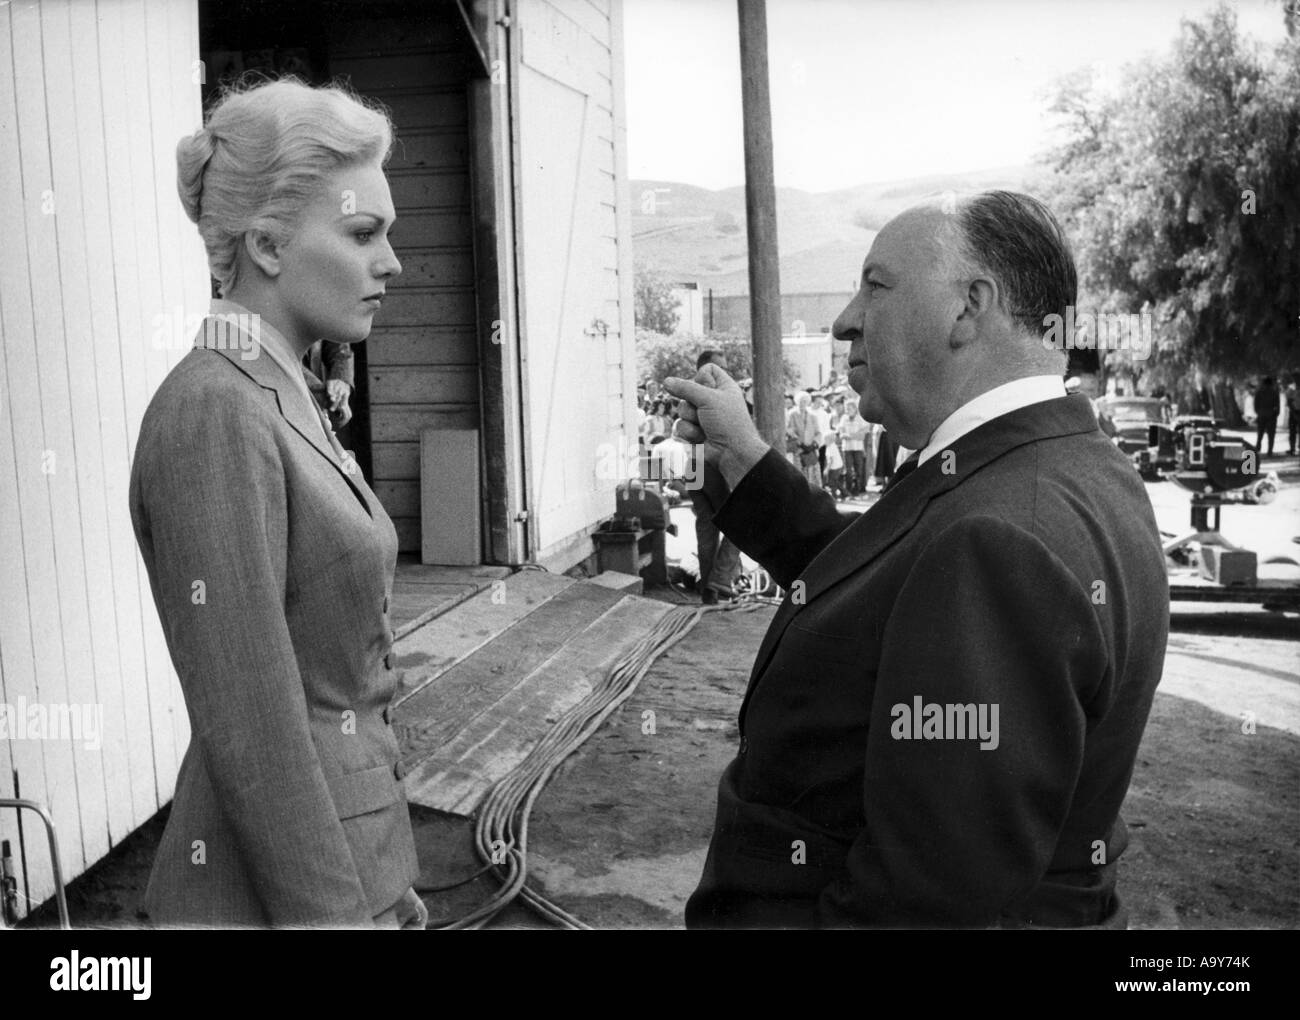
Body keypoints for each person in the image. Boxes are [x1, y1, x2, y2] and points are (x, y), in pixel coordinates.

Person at [665, 190, 1169, 928]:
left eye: (876, 284)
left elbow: (923, 903)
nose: (843, 321)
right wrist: (747, 464)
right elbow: (889, 592)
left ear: (969, 308)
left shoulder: (998, 537)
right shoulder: (1056, 467)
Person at [130, 78, 425, 928]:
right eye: (363, 233)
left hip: (350, 862)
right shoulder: (214, 410)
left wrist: (386, 883)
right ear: (265, 243)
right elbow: (255, 725)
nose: (392, 261)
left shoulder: (280, 389)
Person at [689, 350, 742, 603]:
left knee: (706, 527)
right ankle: (720, 578)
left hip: (695, 464)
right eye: (720, 368)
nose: (725, 373)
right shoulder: (719, 395)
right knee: (741, 521)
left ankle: (709, 590)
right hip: (712, 464)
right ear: (706, 369)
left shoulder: (689, 392)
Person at [786, 390, 822, 487]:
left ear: (808, 402)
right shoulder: (792, 414)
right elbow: (790, 430)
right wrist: (800, 443)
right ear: (797, 402)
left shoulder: (813, 416)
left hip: (811, 450)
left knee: (813, 476)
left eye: (805, 401)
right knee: (799, 475)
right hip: (799, 450)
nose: (802, 403)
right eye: (800, 401)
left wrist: (814, 444)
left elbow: (818, 433)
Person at [838, 397, 870, 497]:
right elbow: (841, 434)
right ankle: (848, 490)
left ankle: (857, 489)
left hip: (858, 448)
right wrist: (854, 435)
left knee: (858, 470)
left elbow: (862, 436)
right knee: (848, 470)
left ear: (855, 409)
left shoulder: (860, 419)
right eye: (846, 408)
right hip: (846, 448)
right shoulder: (843, 418)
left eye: (850, 408)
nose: (847, 410)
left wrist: (850, 436)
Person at [1254, 376, 1279, 456]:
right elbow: (1277, 405)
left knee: (1260, 433)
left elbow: (1255, 404)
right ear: (1271, 384)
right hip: (1271, 414)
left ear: (1264, 384)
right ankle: (1270, 450)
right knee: (1271, 434)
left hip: (1262, 414)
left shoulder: (1259, 392)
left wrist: (1258, 412)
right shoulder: (1274, 392)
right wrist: (1276, 414)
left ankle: (1258, 448)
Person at [1286, 377, 1300, 456]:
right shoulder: (1291, 389)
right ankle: (1292, 448)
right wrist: (1294, 413)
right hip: (1293, 412)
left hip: (1295, 412)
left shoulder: (1291, 389)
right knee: (1292, 431)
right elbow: (1289, 402)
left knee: (1293, 431)